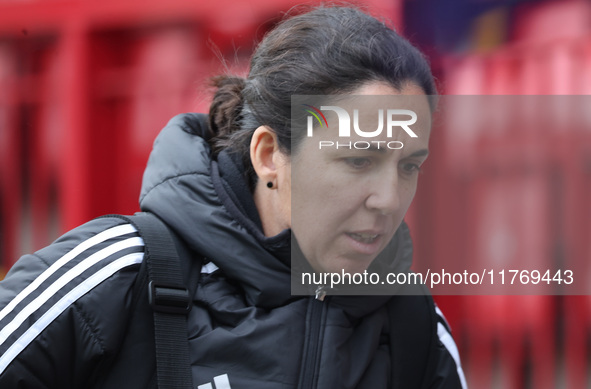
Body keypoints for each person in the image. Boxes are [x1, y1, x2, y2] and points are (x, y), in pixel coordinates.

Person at [0, 5, 466, 388]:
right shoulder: (115, 275)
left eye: (409, 167)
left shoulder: (414, 326)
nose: (388, 199)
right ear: (269, 154)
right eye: (358, 161)